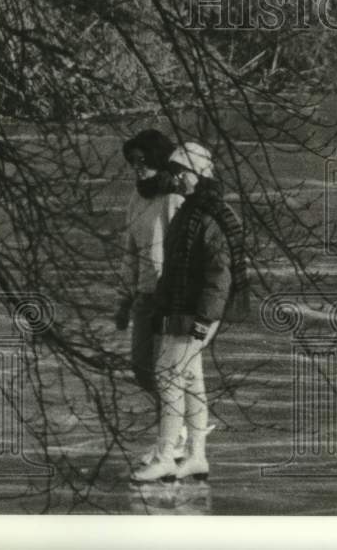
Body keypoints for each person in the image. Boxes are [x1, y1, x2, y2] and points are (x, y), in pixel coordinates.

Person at [131, 142, 247, 483]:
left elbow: (219, 276)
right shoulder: (191, 210)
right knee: (191, 380)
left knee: (167, 376)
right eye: (175, 173)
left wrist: (204, 321)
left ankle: (166, 457)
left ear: (199, 174)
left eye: (182, 173)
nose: (177, 179)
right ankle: (196, 456)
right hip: (182, 308)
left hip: (195, 313)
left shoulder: (211, 216)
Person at [115, 129, 186, 465]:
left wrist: (176, 296)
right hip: (143, 295)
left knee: (164, 372)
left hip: (168, 296)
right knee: (142, 369)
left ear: (158, 159)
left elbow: (183, 251)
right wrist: (124, 299)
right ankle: (177, 432)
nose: (137, 167)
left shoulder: (172, 199)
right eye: (132, 161)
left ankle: (173, 440)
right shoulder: (136, 198)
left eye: (142, 160)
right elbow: (129, 252)